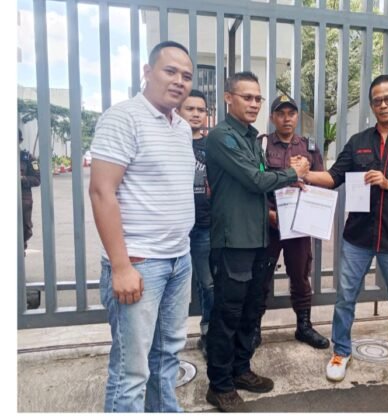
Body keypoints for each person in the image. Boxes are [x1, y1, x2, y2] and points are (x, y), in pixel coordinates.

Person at [304, 74, 388, 395]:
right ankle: (341, 351)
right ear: (372, 105)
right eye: (377, 100)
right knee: (345, 298)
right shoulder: (359, 141)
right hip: (357, 237)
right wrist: (304, 174)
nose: (383, 105)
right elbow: (333, 177)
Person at [89, 40, 195, 412]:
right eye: (170, 71)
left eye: (187, 76)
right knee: (131, 371)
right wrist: (121, 267)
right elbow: (101, 192)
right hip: (139, 263)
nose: (179, 81)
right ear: (147, 72)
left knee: (167, 355)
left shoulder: (182, 127)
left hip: (179, 259)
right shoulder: (123, 118)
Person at [204, 71, 310, 412]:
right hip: (233, 240)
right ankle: (219, 385)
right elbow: (253, 179)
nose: (253, 104)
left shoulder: (251, 138)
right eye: (246, 97)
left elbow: (263, 178)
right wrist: (293, 173)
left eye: (257, 98)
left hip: (257, 238)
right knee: (228, 313)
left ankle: (240, 369)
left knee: (250, 310)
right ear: (228, 98)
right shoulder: (222, 137)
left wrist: (288, 181)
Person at [251, 95, 330, 350]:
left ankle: (303, 326)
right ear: (272, 117)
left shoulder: (309, 147)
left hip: (299, 224)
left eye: (291, 113)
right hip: (270, 223)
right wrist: (267, 214)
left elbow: (321, 182)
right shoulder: (261, 145)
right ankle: (253, 328)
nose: (286, 118)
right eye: (281, 113)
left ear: (297, 117)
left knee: (300, 275)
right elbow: (254, 185)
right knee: (261, 275)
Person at [178, 89, 214, 358]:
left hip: (204, 226)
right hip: (174, 227)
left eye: (200, 110)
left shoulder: (211, 146)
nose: (195, 114)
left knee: (208, 283)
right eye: (189, 109)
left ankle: (208, 333)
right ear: (178, 111)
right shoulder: (170, 142)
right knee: (171, 287)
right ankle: (168, 340)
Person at [19, 129, 40, 251]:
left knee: (25, 230)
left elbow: (37, 179)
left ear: (20, 141)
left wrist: (22, 179)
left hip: (23, 199)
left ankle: (21, 250)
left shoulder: (28, 158)